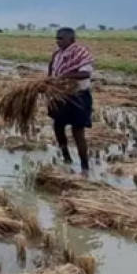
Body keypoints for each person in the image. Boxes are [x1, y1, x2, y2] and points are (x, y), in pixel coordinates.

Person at [48, 27, 95, 171]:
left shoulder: (81, 54)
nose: (58, 41)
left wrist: (65, 76)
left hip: (78, 97)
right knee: (58, 126)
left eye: (61, 38)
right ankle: (66, 157)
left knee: (78, 132)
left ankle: (84, 166)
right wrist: (49, 83)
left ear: (72, 39)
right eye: (57, 38)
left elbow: (85, 74)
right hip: (61, 96)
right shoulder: (57, 55)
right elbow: (52, 70)